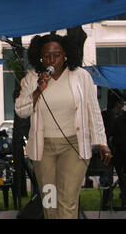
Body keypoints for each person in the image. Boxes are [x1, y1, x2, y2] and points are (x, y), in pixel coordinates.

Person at [15, 33, 111, 219]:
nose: (52, 59)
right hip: (44, 150)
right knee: (49, 202)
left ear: (65, 54)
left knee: (67, 201)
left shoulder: (81, 76)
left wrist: (102, 142)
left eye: (56, 54)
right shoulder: (32, 78)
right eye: (47, 55)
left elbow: (93, 111)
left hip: (73, 146)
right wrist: (37, 91)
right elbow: (21, 111)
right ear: (39, 56)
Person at [100, 89, 124, 208]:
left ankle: (108, 201)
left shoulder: (107, 116)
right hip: (110, 153)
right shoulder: (111, 117)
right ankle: (107, 201)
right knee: (108, 178)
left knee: (111, 177)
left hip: (117, 153)